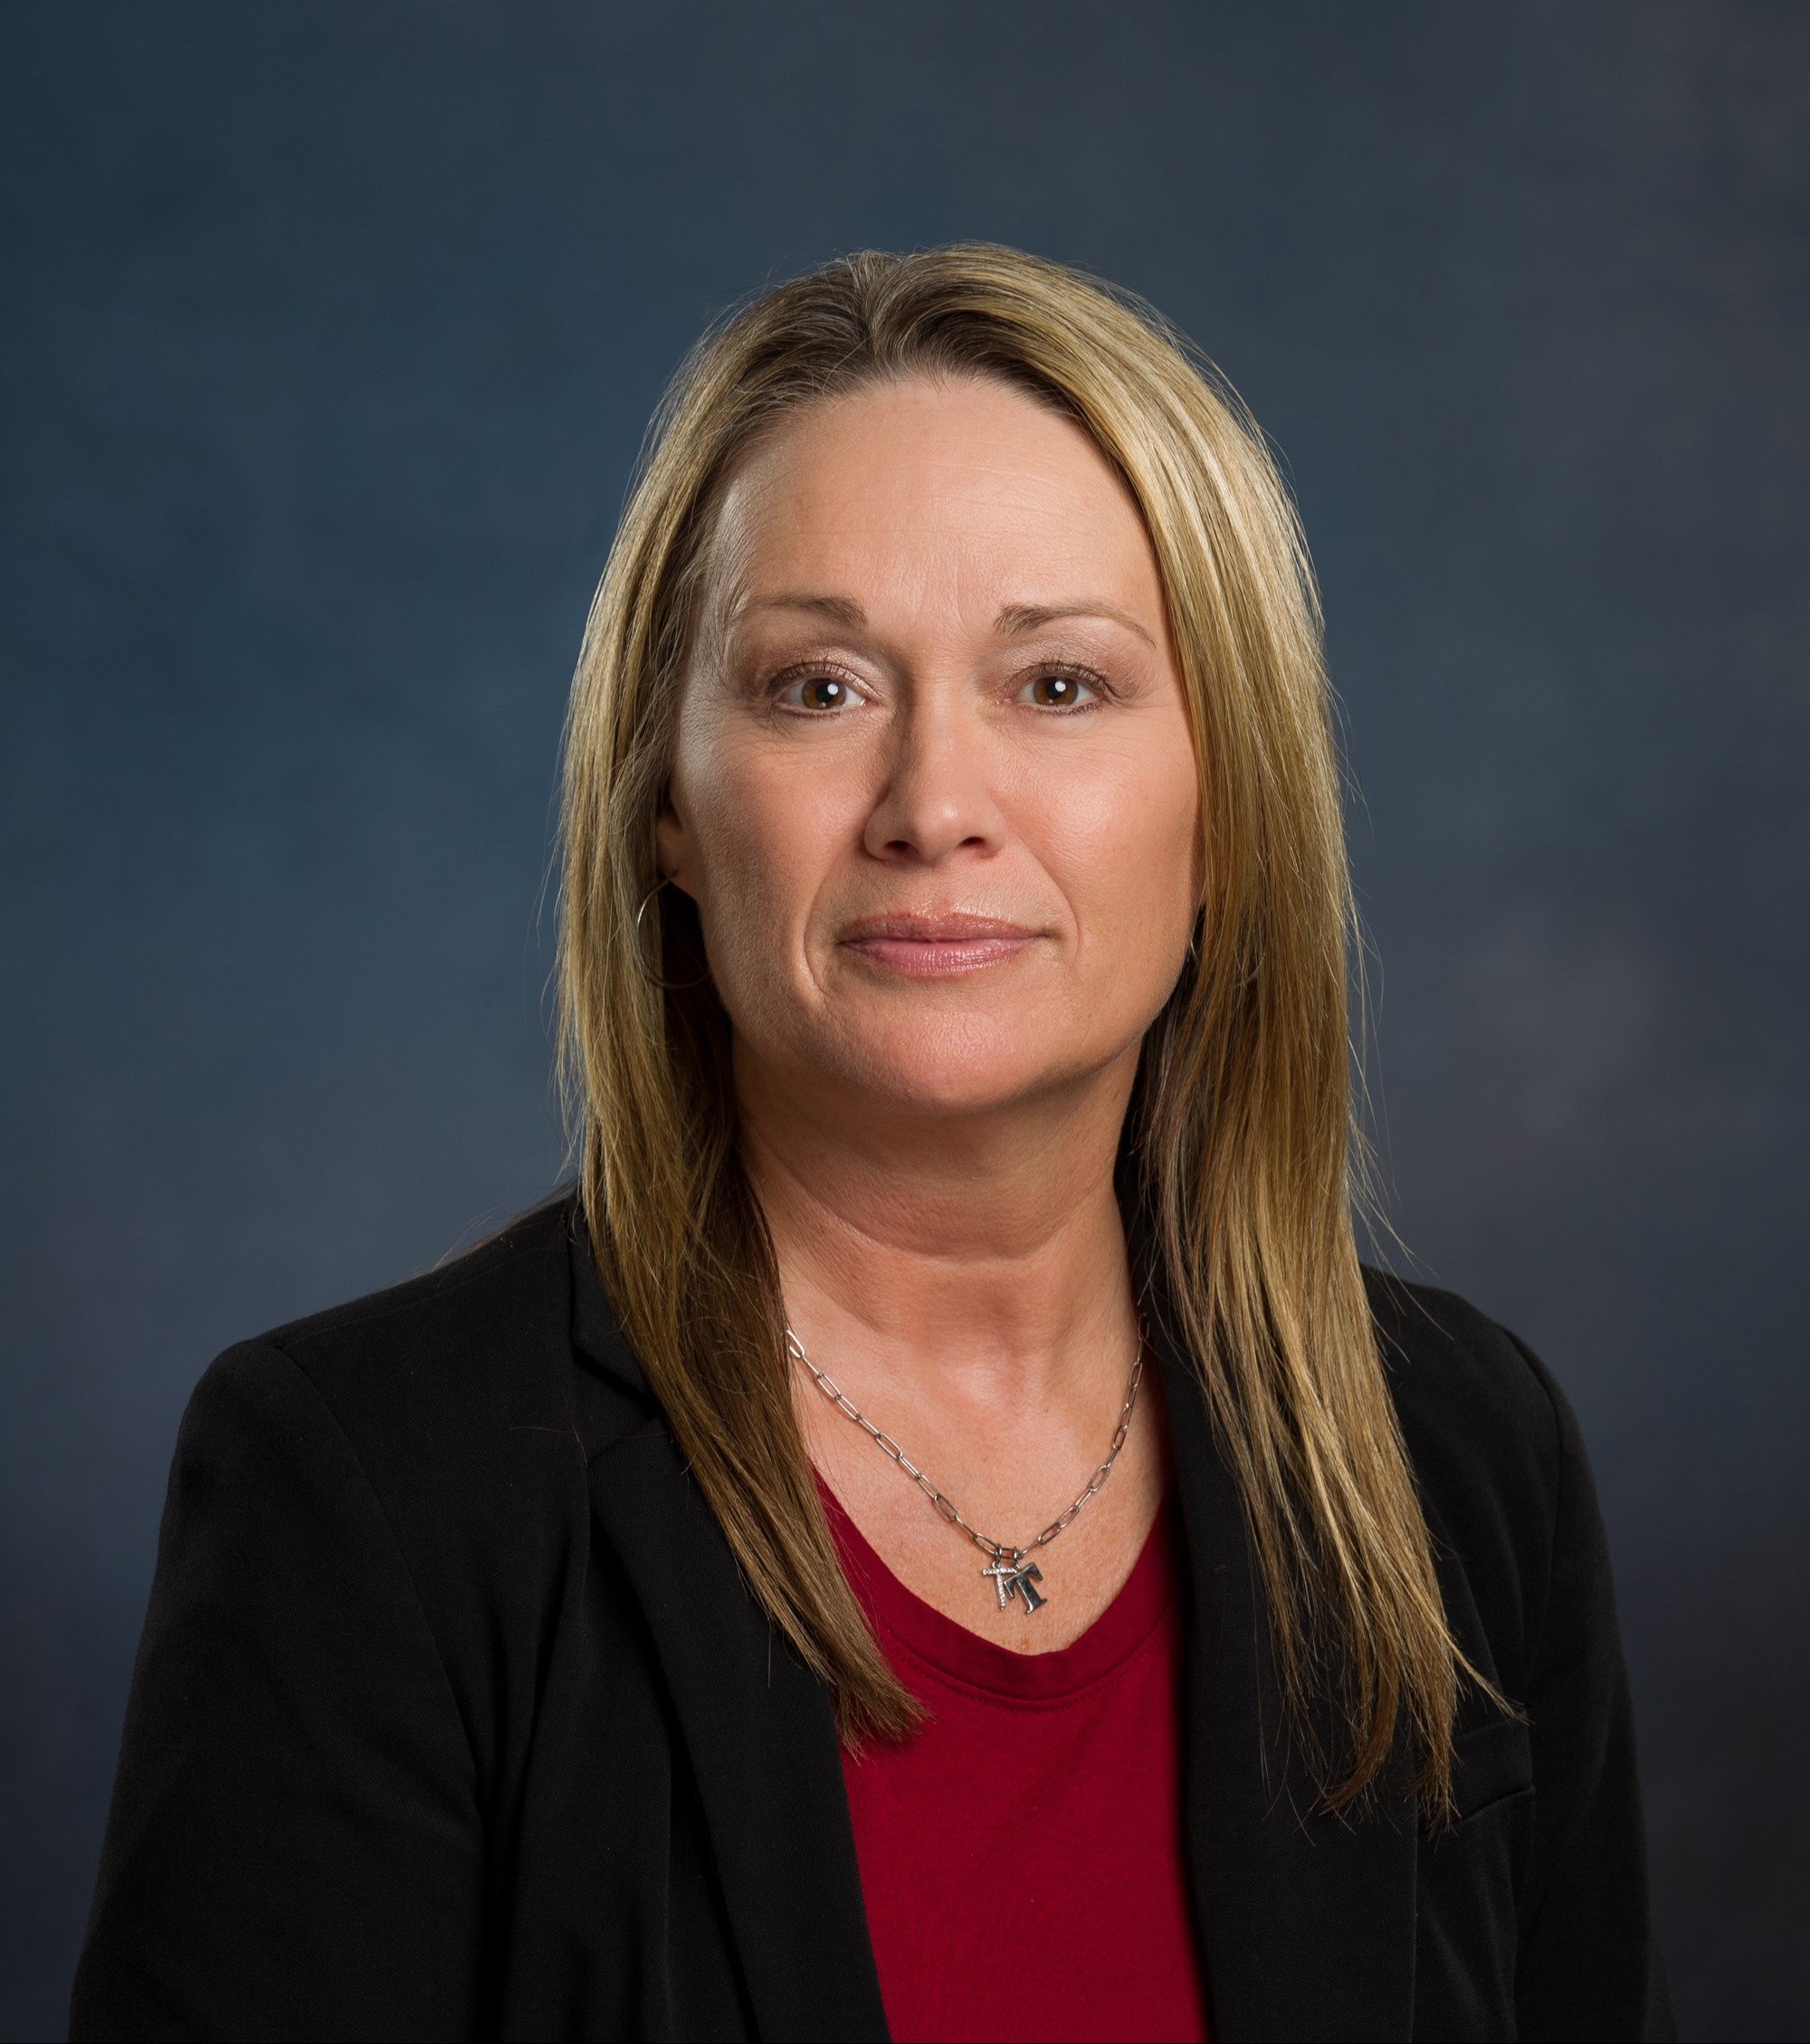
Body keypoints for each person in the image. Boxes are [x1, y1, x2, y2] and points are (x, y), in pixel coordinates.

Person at [71, 244, 1672, 2043]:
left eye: (1056, 685)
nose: (933, 806)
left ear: (1228, 809)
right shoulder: (369, 1489)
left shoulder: (1460, 1458)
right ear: (667, 802)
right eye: (816, 687)